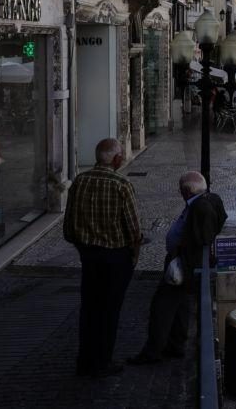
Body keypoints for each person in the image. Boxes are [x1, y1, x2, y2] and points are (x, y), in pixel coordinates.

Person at [128, 172, 227, 366]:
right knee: (181, 305)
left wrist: (182, 246)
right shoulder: (207, 199)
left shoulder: (202, 207)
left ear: (187, 191)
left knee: (161, 306)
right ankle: (176, 344)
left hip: (185, 265)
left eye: (181, 190)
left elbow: (204, 237)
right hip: (187, 263)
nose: (180, 193)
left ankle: (152, 351)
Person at [63, 138, 142, 377]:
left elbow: (69, 227)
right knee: (109, 310)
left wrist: (83, 249)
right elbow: (133, 229)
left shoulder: (79, 181)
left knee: (89, 308)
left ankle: (85, 359)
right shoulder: (122, 184)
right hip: (116, 258)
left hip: (89, 257)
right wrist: (133, 256)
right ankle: (101, 362)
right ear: (117, 159)